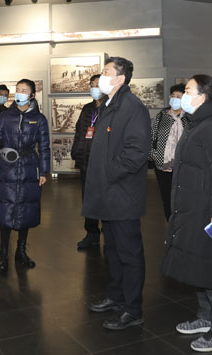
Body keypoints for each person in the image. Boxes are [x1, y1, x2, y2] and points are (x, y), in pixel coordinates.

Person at [162, 75, 212, 353]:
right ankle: (206, 317)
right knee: (197, 265)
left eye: (188, 91)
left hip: (208, 210)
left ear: (202, 97)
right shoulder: (197, 124)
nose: (183, 95)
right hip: (192, 208)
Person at [83, 57, 151, 330]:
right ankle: (116, 296)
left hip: (122, 193)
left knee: (129, 252)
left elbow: (136, 152)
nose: (100, 76)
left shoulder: (132, 107)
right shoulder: (109, 105)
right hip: (107, 193)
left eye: (106, 72)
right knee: (112, 249)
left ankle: (133, 309)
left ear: (120, 79)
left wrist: (108, 173)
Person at [0, 79, 50, 272]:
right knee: (5, 210)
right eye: (17, 90)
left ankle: (21, 252)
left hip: (29, 167)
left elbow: (44, 146)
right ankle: (3, 255)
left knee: (26, 209)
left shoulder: (39, 119)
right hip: (7, 166)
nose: (19, 93)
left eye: (24, 90)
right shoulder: (5, 116)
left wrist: (44, 171)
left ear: (32, 95)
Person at [72, 74, 105, 249]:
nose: (94, 88)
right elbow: (79, 132)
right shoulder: (87, 108)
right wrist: (76, 152)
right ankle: (91, 234)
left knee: (105, 200)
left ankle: (109, 234)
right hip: (86, 162)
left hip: (104, 165)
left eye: (97, 85)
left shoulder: (111, 108)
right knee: (88, 201)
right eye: (92, 85)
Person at [150, 83, 189, 221]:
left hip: (184, 165)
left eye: (179, 96)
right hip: (162, 165)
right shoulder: (161, 115)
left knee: (183, 198)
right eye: (173, 96)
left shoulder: (189, 117)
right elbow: (152, 135)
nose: (175, 99)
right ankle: (171, 225)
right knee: (167, 198)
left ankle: (182, 227)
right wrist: (153, 155)